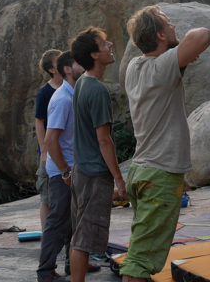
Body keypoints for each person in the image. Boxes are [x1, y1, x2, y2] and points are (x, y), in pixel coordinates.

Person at [119, 6, 210, 282]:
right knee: (139, 262)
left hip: (142, 171)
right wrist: (181, 50)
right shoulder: (163, 67)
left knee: (142, 249)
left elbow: (180, 51)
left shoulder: (135, 67)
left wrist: (179, 53)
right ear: (160, 35)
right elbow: (203, 35)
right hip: (160, 175)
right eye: (169, 25)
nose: (174, 28)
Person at [69, 27, 125, 282]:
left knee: (79, 234)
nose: (110, 45)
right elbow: (104, 140)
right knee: (82, 240)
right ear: (94, 54)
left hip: (82, 169)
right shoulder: (97, 90)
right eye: (104, 44)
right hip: (93, 173)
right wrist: (118, 178)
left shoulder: (81, 83)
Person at [37, 51, 87, 282]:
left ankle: (71, 265)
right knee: (57, 222)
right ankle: (45, 272)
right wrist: (65, 171)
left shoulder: (74, 95)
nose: (83, 65)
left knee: (72, 222)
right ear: (67, 69)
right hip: (62, 172)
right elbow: (50, 140)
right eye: (78, 62)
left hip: (72, 169)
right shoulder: (62, 99)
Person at [35, 49, 63, 230]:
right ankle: (47, 235)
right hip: (49, 150)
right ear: (51, 69)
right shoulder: (45, 92)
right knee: (46, 196)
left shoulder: (71, 87)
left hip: (67, 148)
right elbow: (39, 122)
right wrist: (44, 151)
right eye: (58, 61)